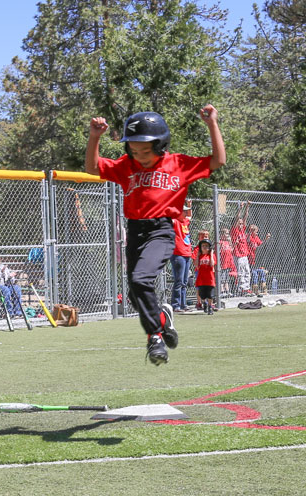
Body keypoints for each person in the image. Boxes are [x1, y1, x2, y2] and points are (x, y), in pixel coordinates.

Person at [85, 104, 226, 365]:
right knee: (135, 294)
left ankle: (155, 337)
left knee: (140, 280)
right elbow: (93, 168)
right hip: (135, 231)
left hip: (162, 230)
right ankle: (163, 318)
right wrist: (95, 137)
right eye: (134, 150)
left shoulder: (179, 164)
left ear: (161, 145)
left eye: (146, 151)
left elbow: (218, 160)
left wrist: (212, 124)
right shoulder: (127, 166)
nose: (140, 156)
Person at [0, 250, 23, 319]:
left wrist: (11, 277)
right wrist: (2, 274)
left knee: (16, 288)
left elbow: (10, 280)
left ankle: (18, 312)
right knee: (5, 289)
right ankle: (9, 313)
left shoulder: (1, 266)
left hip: (4, 285)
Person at [170, 199, 192, 313]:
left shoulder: (184, 222)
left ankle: (183, 304)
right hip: (178, 254)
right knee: (179, 281)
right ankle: (176, 305)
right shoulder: (175, 221)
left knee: (184, 281)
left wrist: (189, 206)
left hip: (187, 254)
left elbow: (189, 217)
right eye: (183, 211)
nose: (185, 213)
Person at [230, 201, 252, 296]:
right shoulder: (234, 231)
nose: (241, 225)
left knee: (247, 272)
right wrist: (240, 208)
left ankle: (247, 288)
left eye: (241, 224)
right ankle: (241, 289)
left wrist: (247, 207)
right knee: (240, 273)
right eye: (239, 223)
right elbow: (236, 219)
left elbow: (245, 218)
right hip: (238, 255)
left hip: (244, 255)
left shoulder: (242, 230)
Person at [247, 224, 271, 295]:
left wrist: (266, 239)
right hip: (248, 261)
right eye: (255, 231)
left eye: (257, 231)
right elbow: (247, 239)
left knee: (262, 272)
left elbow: (261, 244)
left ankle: (265, 291)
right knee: (254, 274)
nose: (257, 233)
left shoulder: (256, 237)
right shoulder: (249, 236)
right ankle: (256, 291)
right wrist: (250, 231)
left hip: (254, 262)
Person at [195, 239, 216, 315]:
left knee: (210, 295)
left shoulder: (211, 256)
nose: (204, 247)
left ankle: (210, 307)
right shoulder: (200, 256)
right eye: (203, 246)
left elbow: (212, 264)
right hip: (201, 279)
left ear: (209, 248)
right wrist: (197, 255)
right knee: (202, 295)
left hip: (209, 279)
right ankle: (205, 303)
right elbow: (196, 265)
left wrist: (211, 254)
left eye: (206, 246)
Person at [191, 229, 210, 310]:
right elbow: (195, 261)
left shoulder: (209, 248)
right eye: (202, 236)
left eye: (206, 236)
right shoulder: (197, 249)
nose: (204, 238)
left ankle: (208, 303)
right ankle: (199, 303)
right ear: (199, 238)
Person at [219, 228, 236, 297]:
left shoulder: (228, 242)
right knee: (222, 279)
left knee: (226, 279)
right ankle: (222, 292)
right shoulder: (220, 242)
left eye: (228, 234)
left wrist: (231, 242)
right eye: (226, 234)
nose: (228, 235)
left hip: (227, 264)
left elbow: (231, 249)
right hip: (222, 264)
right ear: (222, 235)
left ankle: (227, 291)